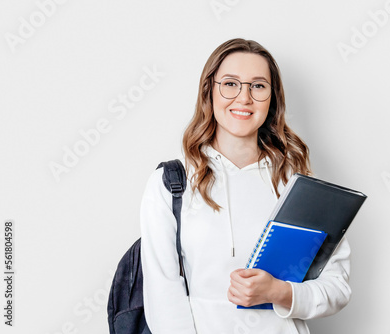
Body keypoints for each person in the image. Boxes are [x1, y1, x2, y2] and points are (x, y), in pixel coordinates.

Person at [140, 38, 352, 334]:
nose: (244, 98)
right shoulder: (172, 183)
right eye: (230, 84)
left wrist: (279, 292)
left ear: (272, 98)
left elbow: (336, 287)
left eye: (258, 86)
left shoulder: (298, 185)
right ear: (209, 91)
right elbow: (162, 294)